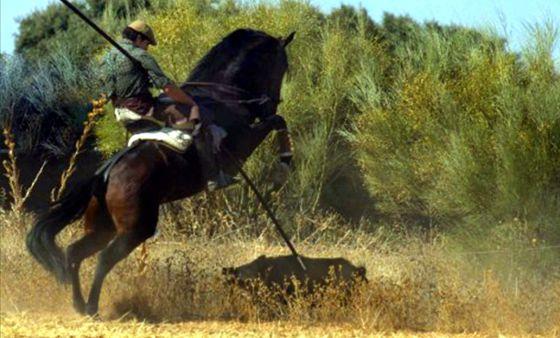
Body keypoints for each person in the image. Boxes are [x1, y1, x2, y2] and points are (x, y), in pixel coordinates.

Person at [101, 20, 235, 191]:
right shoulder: (140, 55)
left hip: (120, 112)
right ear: (140, 39)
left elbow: (106, 93)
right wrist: (189, 102)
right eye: (147, 43)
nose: (147, 48)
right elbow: (167, 87)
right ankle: (213, 177)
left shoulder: (107, 58)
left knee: (165, 100)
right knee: (197, 116)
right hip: (142, 109)